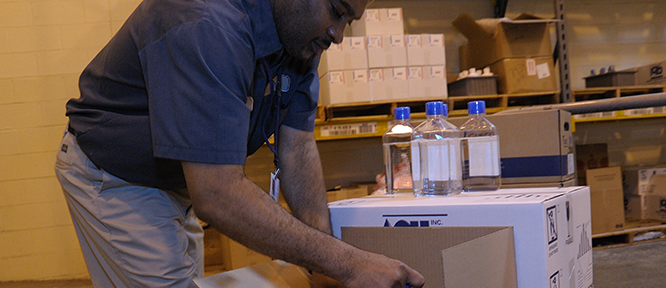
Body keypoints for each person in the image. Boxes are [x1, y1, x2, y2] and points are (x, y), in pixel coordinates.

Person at [54, 0, 426, 287]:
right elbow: (217, 194)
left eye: (349, 20)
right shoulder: (206, 23)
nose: (339, 34)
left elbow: (295, 147)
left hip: (176, 183)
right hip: (117, 179)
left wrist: (325, 267)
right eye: (337, 11)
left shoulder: (300, 35)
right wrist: (347, 263)